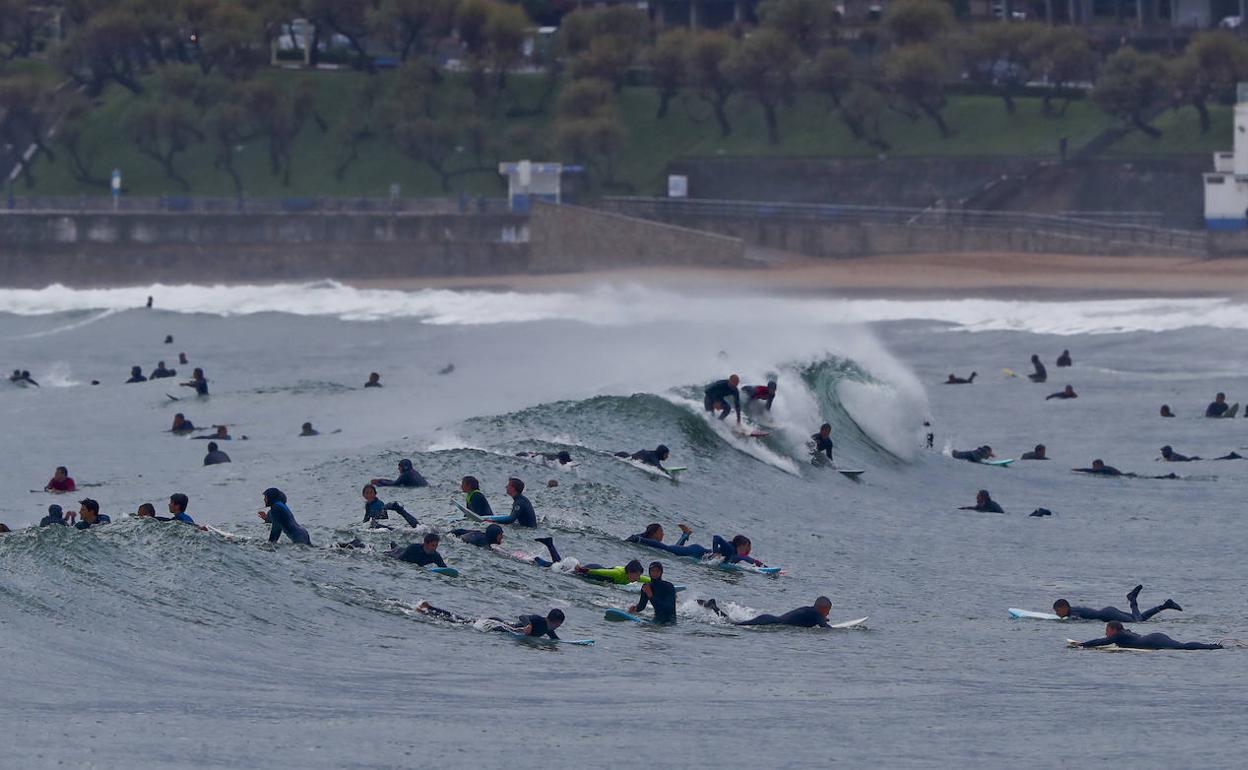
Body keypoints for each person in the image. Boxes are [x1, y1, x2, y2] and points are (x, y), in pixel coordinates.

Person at [630, 525, 766, 567]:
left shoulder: (735, 555)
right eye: (748, 547)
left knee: (671, 551)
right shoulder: (730, 549)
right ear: (742, 545)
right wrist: (714, 553)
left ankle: (685, 535)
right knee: (667, 548)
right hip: (696, 551)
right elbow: (716, 537)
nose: (749, 550)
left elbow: (747, 560)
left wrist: (764, 567)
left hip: (695, 553)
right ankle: (638, 539)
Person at [416, 602, 565, 640]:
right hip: (498, 624)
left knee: (461, 621)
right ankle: (428, 609)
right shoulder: (539, 621)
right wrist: (528, 625)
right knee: (460, 622)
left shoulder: (549, 629)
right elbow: (522, 616)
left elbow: (555, 640)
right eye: (559, 624)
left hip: (500, 627)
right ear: (556, 622)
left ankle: (428, 609)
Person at [1053, 585, 1182, 623]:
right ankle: (1165, 606)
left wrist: (1068, 620)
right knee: (1139, 618)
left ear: (1064, 607)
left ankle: (1132, 599)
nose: (1057, 614)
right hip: (1109, 612)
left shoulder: (1073, 612)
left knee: (1137, 622)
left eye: (1057, 611)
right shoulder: (1073, 609)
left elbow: (1077, 619)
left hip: (1108, 615)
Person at [1075, 621, 1220, 650]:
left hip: (1154, 641)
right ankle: (1211, 646)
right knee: (1181, 645)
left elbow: (1100, 642)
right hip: (1154, 637)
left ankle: (1213, 647)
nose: (1106, 633)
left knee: (1182, 647)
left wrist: (1082, 645)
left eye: (1107, 630)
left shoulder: (1118, 635)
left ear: (1113, 629)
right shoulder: (1126, 633)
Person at [700, 596, 834, 628]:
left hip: (768, 619)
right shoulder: (816, 615)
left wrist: (822, 620)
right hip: (768, 622)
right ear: (822, 609)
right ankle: (713, 608)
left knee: (734, 623)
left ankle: (713, 607)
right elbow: (826, 628)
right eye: (827, 611)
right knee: (733, 625)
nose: (827, 615)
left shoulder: (810, 611)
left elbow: (819, 620)